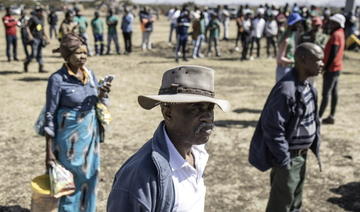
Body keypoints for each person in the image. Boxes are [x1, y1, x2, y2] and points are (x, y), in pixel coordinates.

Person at [107, 65, 230, 211]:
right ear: (167, 112)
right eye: (195, 108)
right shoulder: (140, 177)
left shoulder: (197, 153)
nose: (207, 116)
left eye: (210, 108)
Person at [249, 42, 324, 212]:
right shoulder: (286, 90)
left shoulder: (308, 86)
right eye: (318, 60)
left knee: (295, 202)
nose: (322, 64)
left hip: (300, 156)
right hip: (288, 158)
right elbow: (272, 128)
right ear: (303, 60)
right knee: (281, 205)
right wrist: (284, 159)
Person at [44, 33, 111, 212]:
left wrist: (102, 93)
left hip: (90, 134)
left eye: (85, 52)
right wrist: (49, 152)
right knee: (70, 178)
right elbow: (49, 115)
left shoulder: (90, 74)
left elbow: (97, 101)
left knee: (91, 174)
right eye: (78, 53)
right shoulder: (57, 79)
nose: (83, 56)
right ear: (67, 56)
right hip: (68, 141)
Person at [319, 14, 346, 124]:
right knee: (334, 92)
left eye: (333, 22)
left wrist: (325, 67)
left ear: (337, 23)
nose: (331, 24)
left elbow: (333, 52)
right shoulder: (341, 33)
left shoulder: (335, 35)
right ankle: (332, 116)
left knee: (326, 93)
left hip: (331, 68)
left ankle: (319, 117)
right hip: (337, 67)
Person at [275, 13, 303, 82]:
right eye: (298, 23)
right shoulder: (286, 39)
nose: (299, 25)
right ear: (293, 24)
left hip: (290, 68)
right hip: (284, 69)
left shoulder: (292, 35)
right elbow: (280, 59)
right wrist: (295, 61)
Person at [24, 7, 49, 73]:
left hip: (40, 38)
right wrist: (30, 35)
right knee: (33, 54)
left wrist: (46, 37)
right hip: (34, 38)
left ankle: (41, 69)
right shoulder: (33, 18)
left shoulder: (42, 18)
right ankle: (26, 63)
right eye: (42, 11)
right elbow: (27, 27)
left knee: (40, 54)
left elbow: (41, 28)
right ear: (39, 12)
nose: (43, 13)